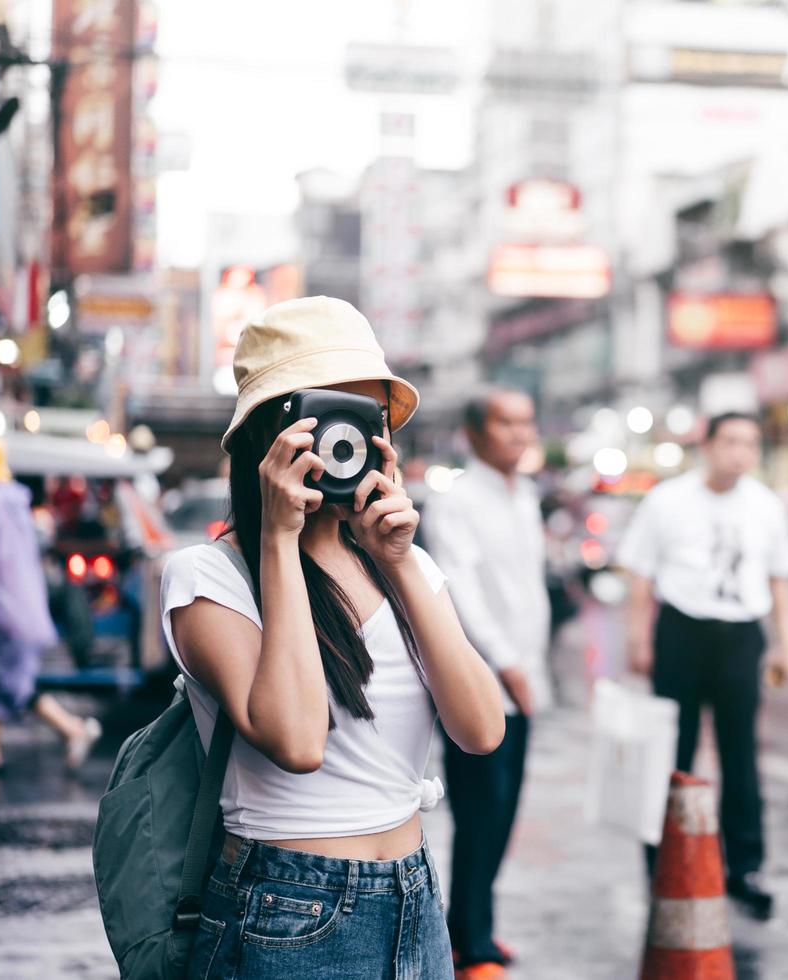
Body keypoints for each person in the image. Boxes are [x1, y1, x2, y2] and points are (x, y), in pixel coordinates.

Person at [161, 296, 505, 979]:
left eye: (364, 416)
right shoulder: (209, 577)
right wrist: (281, 539)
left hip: (415, 900)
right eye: (325, 412)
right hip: (288, 913)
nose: (343, 439)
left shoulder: (406, 563)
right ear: (271, 431)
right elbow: (295, 740)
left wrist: (399, 560)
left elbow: (482, 730)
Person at [620, 411, 788, 921]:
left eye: (750, 443)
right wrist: (639, 639)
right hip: (681, 630)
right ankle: (664, 865)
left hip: (741, 635)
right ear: (707, 445)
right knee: (672, 757)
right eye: (731, 441)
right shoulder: (668, 500)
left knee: (740, 753)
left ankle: (745, 868)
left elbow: (781, 578)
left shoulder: (766, 506)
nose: (741, 452)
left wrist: (787, 644)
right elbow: (639, 573)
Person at [423, 388, 551, 978]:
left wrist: (531, 667)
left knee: (504, 810)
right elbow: (461, 592)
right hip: (482, 681)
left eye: (525, 422)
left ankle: (475, 930)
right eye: (506, 423)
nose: (519, 434)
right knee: (480, 811)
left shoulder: (524, 494)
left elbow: (527, 593)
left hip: (525, 677)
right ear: (475, 433)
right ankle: (470, 944)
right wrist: (508, 664)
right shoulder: (456, 501)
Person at [0, 438, 101, 771]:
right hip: (23, 609)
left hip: (4, 614)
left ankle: (73, 729)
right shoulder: (14, 501)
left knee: (11, 685)